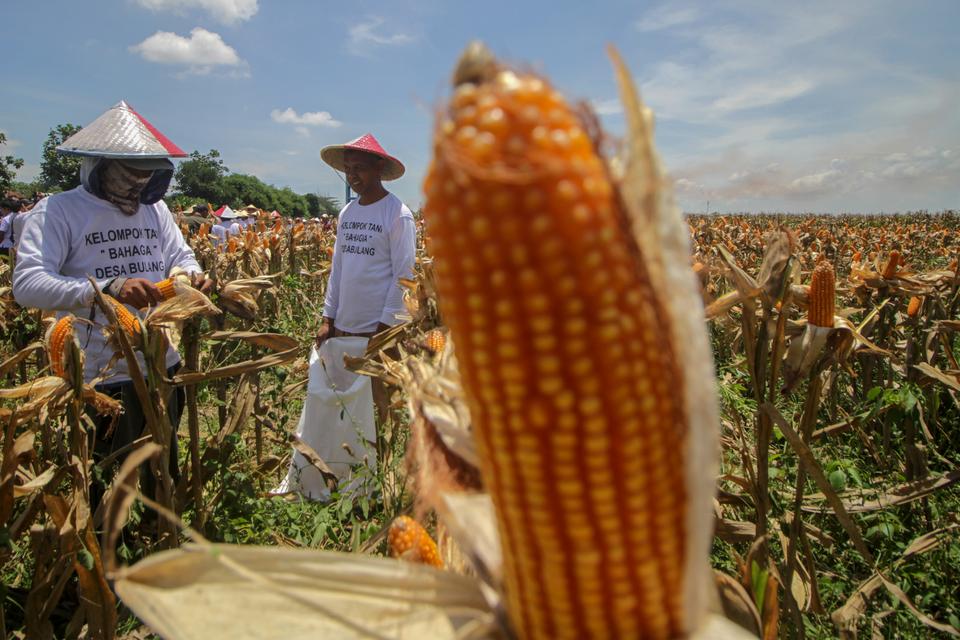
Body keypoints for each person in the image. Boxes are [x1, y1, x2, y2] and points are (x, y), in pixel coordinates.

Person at [12, 100, 211, 511]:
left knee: (162, 469)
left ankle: (159, 540)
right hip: (102, 374)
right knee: (109, 485)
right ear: (98, 166)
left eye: (145, 180)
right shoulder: (59, 211)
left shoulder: (155, 210)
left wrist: (191, 277)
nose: (137, 190)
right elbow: (27, 285)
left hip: (161, 360)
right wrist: (107, 288)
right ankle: (111, 561)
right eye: (129, 179)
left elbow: (182, 256)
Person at [316, 133, 416, 423]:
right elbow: (339, 267)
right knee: (345, 407)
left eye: (359, 167)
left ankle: (380, 465)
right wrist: (327, 318)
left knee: (378, 409)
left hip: (376, 331)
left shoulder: (397, 214)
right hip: (344, 328)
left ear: (378, 170)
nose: (352, 175)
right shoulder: (347, 212)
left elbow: (404, 275)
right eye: (348, 169)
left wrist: (383, 331)